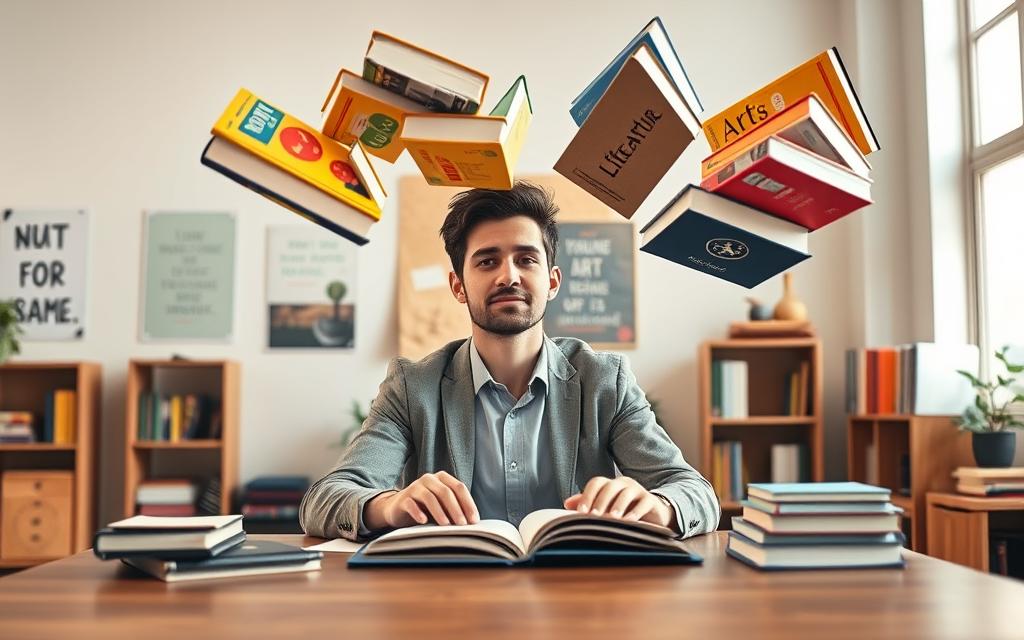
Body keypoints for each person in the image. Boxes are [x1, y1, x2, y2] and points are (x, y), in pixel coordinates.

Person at [300, 181, 720, 541]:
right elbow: (324, 500)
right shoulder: (413, 387)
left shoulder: (604, 380)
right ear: (458, 286)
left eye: (526, 259)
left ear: (552, 282)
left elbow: (695, 492)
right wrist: (389, 507)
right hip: (451, 599)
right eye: (487, 261)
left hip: (580, 598)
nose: (509, 276)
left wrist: (659, 507)